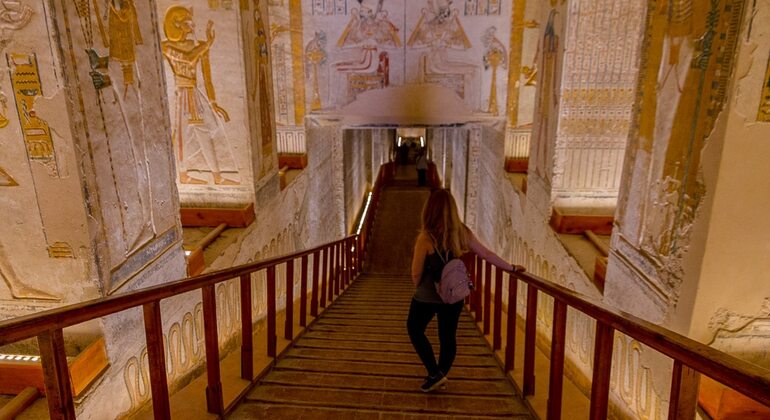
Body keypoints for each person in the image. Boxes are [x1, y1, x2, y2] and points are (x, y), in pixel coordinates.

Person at [407, 189, 524, 392]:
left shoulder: (425, 238)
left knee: (414, 329)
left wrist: (418, 286)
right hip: (454, 294)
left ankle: (434, 373)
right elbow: (486, 254)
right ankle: (441, 373)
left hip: (427, 296)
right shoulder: (462, 233)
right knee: (448, 336)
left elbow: (416, 272)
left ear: (429, 210)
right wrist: (511, 268)